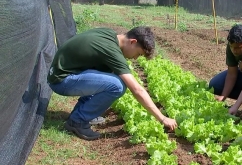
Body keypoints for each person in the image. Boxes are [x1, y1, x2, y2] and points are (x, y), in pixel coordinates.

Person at [47, 26, 177, 140]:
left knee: (111, 74)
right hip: (62, 80)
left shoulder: (110, 35)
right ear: (132, 42)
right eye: (138, 54)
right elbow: (137, 89)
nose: (135, 58)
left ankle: (84, 113)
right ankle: (78, 121)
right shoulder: (111, 50)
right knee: (117, 85)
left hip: (63, 73)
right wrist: (162, 118)